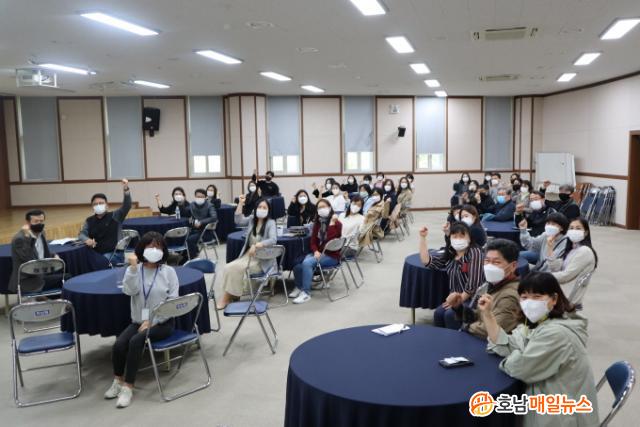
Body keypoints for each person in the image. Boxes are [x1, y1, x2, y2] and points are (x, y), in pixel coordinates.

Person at [479, 272, 599, 427]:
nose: (530, 303)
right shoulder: (542, 321)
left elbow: (520, 368)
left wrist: (517, 355)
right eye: (524, 297)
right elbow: (510, 343)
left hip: (561, 414)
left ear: (554, 299)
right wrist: (487, 314)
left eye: (537, 297)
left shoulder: (556, 333)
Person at [104, 232, 178, 408]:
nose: (154, 250)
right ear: (142, 249)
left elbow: (173, 302)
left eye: (158, 247)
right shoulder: (135, 270)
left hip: (163, 323)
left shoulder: (169, 272)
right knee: (119, 344)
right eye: (150, 246)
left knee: (136, 341)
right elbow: (129, 291)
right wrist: (132, 269)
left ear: (163, 250)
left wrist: (154, 321)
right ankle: (118, 381)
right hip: (138, 321)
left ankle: (128, 387)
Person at [419, 222, 485, 329]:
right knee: (438, 314)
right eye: (455, 236)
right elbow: (427, 261)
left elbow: (473, 285)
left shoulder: (474, 252)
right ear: (450, 239)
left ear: (469, 238)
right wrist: (423, 238)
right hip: (454, 298)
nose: (458, 239)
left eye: (462, 236)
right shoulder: (451, 252)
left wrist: (457, 301)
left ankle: (456, 338)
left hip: (472, 299)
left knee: (450, 315)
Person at [217, 197, 277, 309]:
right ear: (256, 208)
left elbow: (273, 240)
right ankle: (232, 295)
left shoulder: (271, 223)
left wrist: (259, 244)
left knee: (235, 269)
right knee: (228, 267)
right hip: (248, 256)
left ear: (269, 210)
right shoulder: (252, 219)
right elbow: (238, 220)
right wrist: (240, 204)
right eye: (260, 207)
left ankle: (225, 298)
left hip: (262, 259)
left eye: (265, 208)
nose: (262, 209)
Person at [462, 239, 522, 339]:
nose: (489, 266)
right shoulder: (493, 284)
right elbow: (482, 313)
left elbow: (494, 330)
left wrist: (468, 326)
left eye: (496, 262)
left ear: (513, 266)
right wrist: (458, 309)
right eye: (487, 261)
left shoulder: (510, 295)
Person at [289, 199, 342, 304]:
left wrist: (332, 224)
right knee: (297, 264)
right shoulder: (317, 223)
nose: (322, 209)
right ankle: (299, 287)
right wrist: (316, 251)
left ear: (329, 208)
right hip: (319, 253)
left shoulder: (337, 223)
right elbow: (313, 241)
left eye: (324, 207)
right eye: (319, 207)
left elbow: (330, 241)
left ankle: (306, 293)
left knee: (307, 263)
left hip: (332, 255)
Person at [9, 209, 63, 294]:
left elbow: (41, 253)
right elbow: (28, 259)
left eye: (41, 221)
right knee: (66, 278)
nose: (39, 224)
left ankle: (50, 300)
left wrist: (54, 255)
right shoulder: (20, 239)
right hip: (28, 281)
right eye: (36, 221)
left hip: (41, 273)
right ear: (28, 222)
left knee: (64, 270)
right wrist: (28, 237)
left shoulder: (42, 233)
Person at [79, 179, 132, 263]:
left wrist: (126, 189)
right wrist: (86, 240)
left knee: (99, 262)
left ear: (107, 205)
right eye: (95, 204)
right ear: (92, 207)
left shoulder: (115, 216)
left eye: (101, 203)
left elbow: (127, 205)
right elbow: (82, 234)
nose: (98, 205)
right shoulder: (89, 220)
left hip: (114, 254)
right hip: (96, 253)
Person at [547, 218, 598, 305]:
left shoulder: (584, 251)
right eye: (571, 228)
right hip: (562, 292)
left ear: (585, 232)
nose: (574, 231)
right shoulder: (573, 248)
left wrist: (541, 277)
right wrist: (550, 249)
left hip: (569, 300)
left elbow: (565, 276)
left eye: (578, 228)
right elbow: (555, 268)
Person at [186, 189, 218, 259]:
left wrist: (201, 222)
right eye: (198, 196)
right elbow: (187, 216)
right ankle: (188, 254)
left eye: (201, 197)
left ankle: (193, 258)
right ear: (195, 197)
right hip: (194, 229)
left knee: (190, 239)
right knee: (184, 236)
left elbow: (214, 217)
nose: (199, 198)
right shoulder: (192, 205)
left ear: (205, 197)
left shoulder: (210, 205)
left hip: (206, 232)